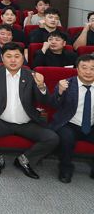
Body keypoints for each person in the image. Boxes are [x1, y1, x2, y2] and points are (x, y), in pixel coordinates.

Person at [0, 42, 58, 179]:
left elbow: (45, 101)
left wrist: (41, 86)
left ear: (23, 58)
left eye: (17, 56)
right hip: (1, 121)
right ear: (2, 57)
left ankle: (24, 160)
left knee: (52, 138)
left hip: (27, 122)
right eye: (8, 56)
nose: (13, 60)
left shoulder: (31, 75)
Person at [49, 54, 94, 183]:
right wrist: (60, 92)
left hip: (91, 124)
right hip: (68, 123)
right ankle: (65, 169)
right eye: (84, 67)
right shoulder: (66, 84)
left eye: (92, 68)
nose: (88, 72)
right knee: (67, 138)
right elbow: (53, 104)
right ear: (77, 69)